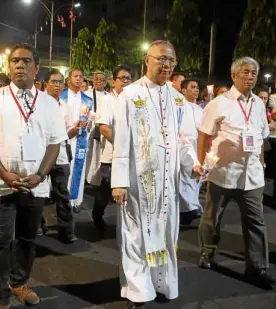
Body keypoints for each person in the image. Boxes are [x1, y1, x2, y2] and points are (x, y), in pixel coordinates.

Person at [112, 40, 181, 308]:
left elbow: (183, 140)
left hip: (167, 184)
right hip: (137, 182)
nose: (166, 64)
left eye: (171, 60)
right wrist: (119, 182)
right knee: (136, 236)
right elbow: (121, 141)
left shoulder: (176, 97)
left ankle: (160, 284)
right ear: (146, 60)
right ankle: (137, 292)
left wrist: (193, 165)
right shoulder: (129, 95)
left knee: (165, 234)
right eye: (161, 58)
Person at [197, 57, 274, 289]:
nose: (251, 77)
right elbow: (203, 135)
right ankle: (207, 252)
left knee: (256, 222)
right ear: (234, 76)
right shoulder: (219, 103)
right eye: (246, 72)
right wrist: (203, 166)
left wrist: (261, 163)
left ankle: (257, 266)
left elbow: (261, 137)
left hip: (252, 177)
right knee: (212, 219)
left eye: (254, 73)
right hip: (223, 173)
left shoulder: (259, 104)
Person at [0, 43, 67, 308]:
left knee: (28, 238)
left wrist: (40, 175)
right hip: (3, 185)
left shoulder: (49, 104)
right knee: (2, 241)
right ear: (8, 66)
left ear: (36, 68)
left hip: (35, 186)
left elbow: (54, 143)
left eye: (26, 61)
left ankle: (18, 283)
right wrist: (5, 174)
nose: (20, 65)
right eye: (15, 61)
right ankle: (0, 293)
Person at [93, 65, 132, 231]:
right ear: (113, 81)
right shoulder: (107, 100)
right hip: (111, 155)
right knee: (105, 189)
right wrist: (122, 147)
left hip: (130, 155)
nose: (125, 82)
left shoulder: (132, 100)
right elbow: (104, 128)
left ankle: (127, 222)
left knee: (128, 189)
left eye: (128, 78)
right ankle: (97, 216)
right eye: (122, 78)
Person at [44, 69, 77, 243]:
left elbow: (69, 132)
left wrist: (76, 128)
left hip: (61, 155)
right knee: (37, 193)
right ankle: (38, 226)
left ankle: (66, 231)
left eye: (60, 82)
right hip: (41, 154)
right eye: (54, 81)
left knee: (62, 194)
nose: (57, 85)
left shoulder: (65, 105)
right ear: (45, 84)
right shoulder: (37, 103)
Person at [60, 69, 93, 213]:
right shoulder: (61, 96)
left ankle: (75, 201)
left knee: (77, 169)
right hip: (64, 139)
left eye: (81, 77)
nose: (79, 79)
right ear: (69, 79)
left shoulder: (87, 99)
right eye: (75, 76)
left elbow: (91, 119)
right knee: (64, 171)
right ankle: (62, 201)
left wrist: (87, 124)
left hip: (79, 139)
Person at [178, 79, 203, 224]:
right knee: (185, 178)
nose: (196, 90)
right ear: (183, 90)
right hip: (183, 145)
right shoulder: (179, 106)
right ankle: (187, 209)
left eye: (197, 87)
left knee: (195, 178)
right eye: (192, 87)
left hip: (197, 145)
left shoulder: (199, 109)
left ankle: (191, 208)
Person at [86, 71, 109, 186]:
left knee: (98, 154)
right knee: (88, 154)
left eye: (102, 80)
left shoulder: (108, 96)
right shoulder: (86, 95)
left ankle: (95, 179)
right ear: (93, 81)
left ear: (105, 82)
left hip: (101, 128)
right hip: (89, 128)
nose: (99, 81)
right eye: (97, 79)